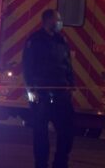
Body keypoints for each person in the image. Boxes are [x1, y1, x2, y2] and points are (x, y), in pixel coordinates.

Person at [23, 9, 75, 168]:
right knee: (40, 134)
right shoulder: (35, 40)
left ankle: (60, 163)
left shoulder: (61, 40)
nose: (60, 23)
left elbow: (67, 64)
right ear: (47, 21)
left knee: (67, 132)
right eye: (57, 19)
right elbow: (28, 66)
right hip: (42, 94)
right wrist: (31, 89)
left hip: (61, 93)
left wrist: (70, 84)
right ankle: (41, 164)